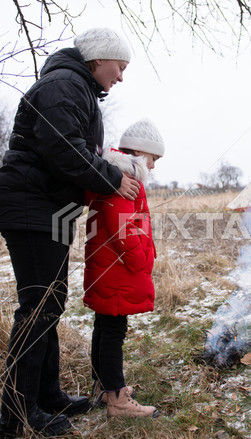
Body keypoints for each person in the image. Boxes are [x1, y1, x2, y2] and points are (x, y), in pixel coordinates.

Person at [0, 27, 141, 439]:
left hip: (53, 209)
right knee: (39, 305)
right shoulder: (63, 84)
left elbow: (78, 148)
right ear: (99, 59)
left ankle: (47, 395)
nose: (121, 77)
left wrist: (116, 163)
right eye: (120, 66)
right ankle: (16, 413)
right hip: (32, 205)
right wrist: (113, 178)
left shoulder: (74, 86)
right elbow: (63, 148)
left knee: (50, 303)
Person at [83, 119, 164, 418]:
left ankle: (103, 387)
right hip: (116, 269)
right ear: (142, 154)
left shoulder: (114, 175)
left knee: (104, 327)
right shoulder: (124, 178)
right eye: (154, 159)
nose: (154, 167)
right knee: (113, 330)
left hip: (108, 267)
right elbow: (124, 229)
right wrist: (142, 259)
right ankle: (117, 399)